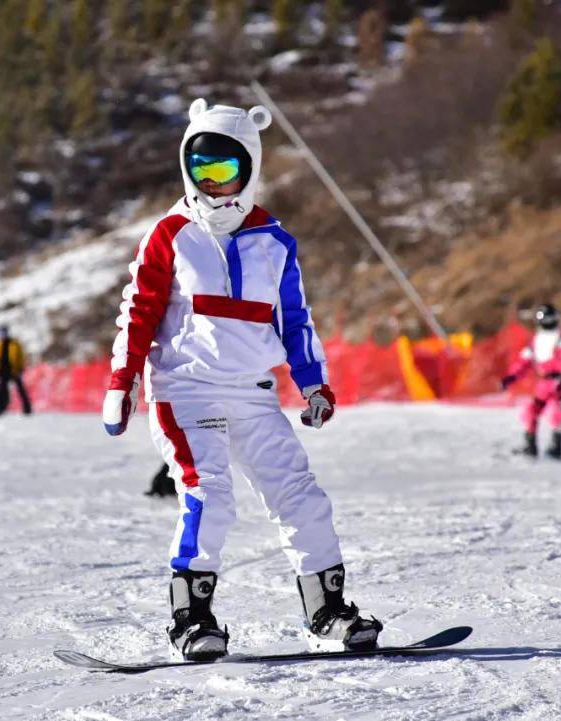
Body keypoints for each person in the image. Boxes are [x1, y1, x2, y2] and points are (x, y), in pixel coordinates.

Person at [102, 98, 381, 662]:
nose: (214, 185)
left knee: (302, 497)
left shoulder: (274, 240)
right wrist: (122, 380)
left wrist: (313, 384)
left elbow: (294, 319)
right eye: (201, 170)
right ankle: (192, 619)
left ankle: (325, 612)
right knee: (209, 495)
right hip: (186, 390)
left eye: (227, 171)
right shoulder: (169, 234)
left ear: (250, 167)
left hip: (253, 394)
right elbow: (140, 311)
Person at [501, 304, 561, 458]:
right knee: (530, 411)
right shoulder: (536, 340)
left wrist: (560, 374)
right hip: (545, 383)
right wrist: (512, 376)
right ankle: (530, 444)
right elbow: (524, 361)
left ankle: (556, 446)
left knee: (556, 413)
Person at [0, 325, 32, 415]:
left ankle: (27, 408)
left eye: (4, 332)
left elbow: (20, 357)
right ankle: (0, 409)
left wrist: (20, 368)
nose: (2, 334)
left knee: (20, 389)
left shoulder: (14, 344)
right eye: (1, 332)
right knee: (1, 390)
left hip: (14, 370)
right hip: (2, 371)